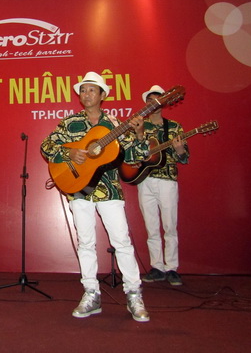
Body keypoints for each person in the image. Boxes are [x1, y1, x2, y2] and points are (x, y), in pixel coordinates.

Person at [41, 71, 150, 322]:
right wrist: (69, 154)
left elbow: (134, 157)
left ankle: (134, 294)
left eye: (92, 89)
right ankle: (91, 293)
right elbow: (46, 147)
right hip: (79, 190)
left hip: (109, 189)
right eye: (83, 90)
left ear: (102, 95)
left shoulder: (116, 124)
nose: (86, 94)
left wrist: (140, 134)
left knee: (122, 241)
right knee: (85, 243)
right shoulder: (70, 123)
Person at [137, 85, 189, 286]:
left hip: (167, 179)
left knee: (169, 226)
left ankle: (172, 268)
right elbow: (134, 153)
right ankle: (157, 266)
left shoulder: (174, 127)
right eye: (150, 100)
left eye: (158, 100)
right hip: (145, 180)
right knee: (151, 227)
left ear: (164, 102)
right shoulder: (140, 125)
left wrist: (180, 150)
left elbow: (184, 158)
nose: (154, 104)